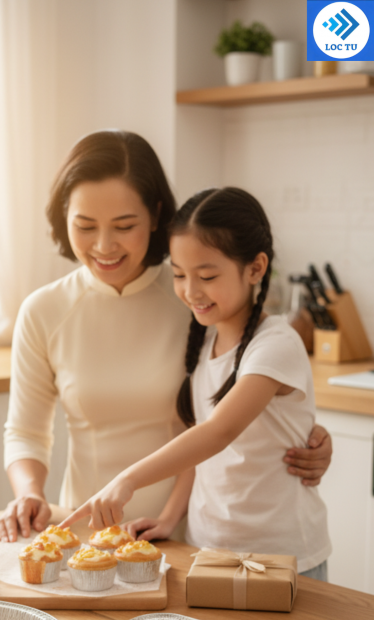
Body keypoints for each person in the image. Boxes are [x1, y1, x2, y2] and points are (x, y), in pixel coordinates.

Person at [0, 131, 332, 546]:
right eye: (85, 226)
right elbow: (26, 432)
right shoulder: (45, 311)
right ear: (64, 217)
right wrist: (29, 492)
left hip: (187, 536)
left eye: (124, 225)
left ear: (156, 217)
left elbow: (236, 408)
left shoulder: (196, 304)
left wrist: (307, 433)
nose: (104, 245)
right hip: (87, 530)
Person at [61, 187, 332, 580]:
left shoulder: (277, 344)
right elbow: (198, 444)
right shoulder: (205, 342)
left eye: (207, 276)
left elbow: (217, 432)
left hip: (282, 558)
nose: (191, 290)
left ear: (256, 268)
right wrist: (171, 517)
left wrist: (127, 480)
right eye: (180, 275)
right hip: (211, 549)